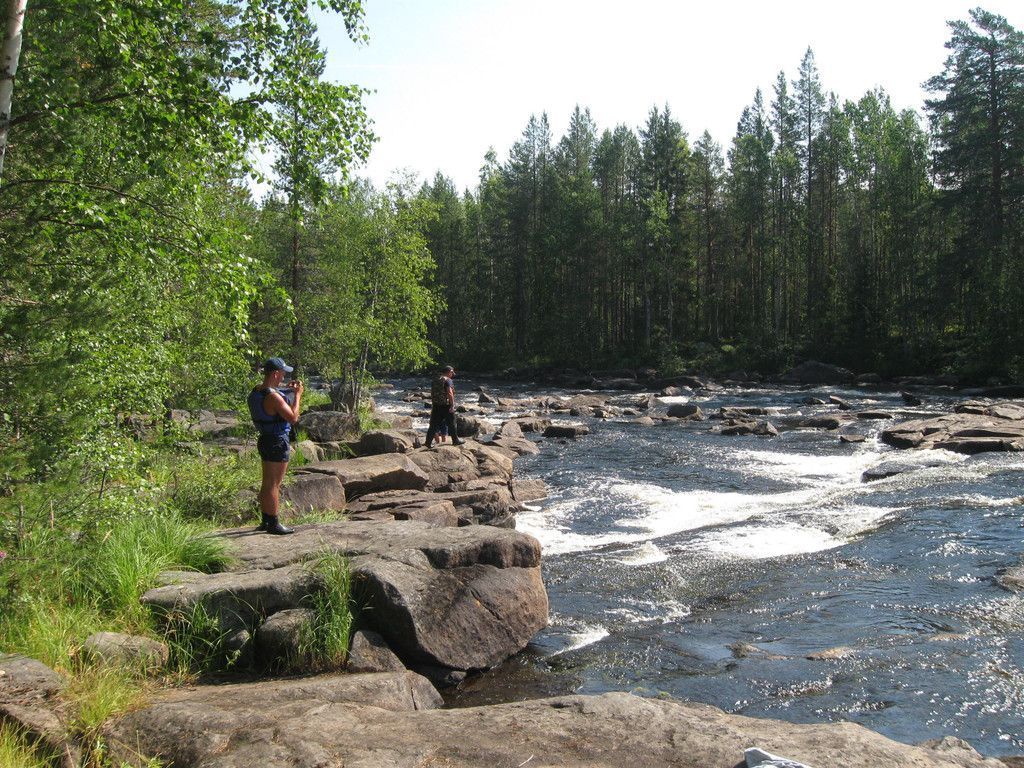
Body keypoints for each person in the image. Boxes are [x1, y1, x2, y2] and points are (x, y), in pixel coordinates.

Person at [247, 357, 304, 535]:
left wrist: (289, 390)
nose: (284, 376)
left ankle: (266, 520)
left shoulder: (257, 391)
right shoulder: (273, 397)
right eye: (283, 373)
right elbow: (293, 418)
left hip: (265, 439)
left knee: (267, 482)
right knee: (274, 484)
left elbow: (273, 394)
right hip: (277, 441)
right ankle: (273, 523)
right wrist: (298, 395)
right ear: (276, 373)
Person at [425, 365, 462, 448]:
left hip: (436, 405)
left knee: (433, 425)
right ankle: (455, 441)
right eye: (452, 372)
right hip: (446, 406)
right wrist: (452, 405)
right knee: (452, 423)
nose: (453, 374)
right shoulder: (448, 380)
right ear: (449, 372)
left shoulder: (435, 380)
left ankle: (428, 443)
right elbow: (449, 393)